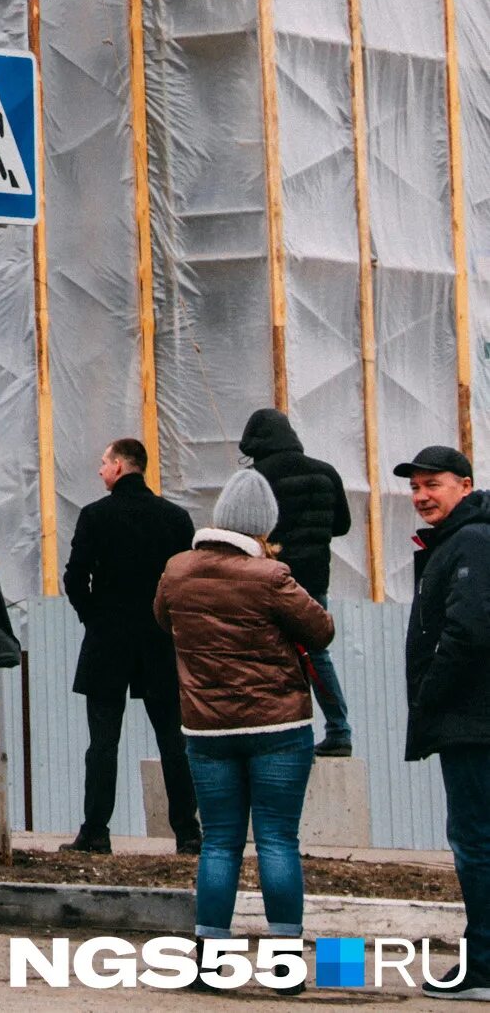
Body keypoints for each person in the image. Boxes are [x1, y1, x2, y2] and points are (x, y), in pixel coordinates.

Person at [154, 468, 331, 971]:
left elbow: (163, 620)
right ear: (264, 525)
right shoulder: (272, 577)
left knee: (219, 842)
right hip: (277, 729)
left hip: (207, 729)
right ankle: (284, 964)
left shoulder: (177, 571)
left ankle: (210, 962)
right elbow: (321, 631)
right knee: (276, 839)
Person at [61, 436, 200, 855]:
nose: (100, 469)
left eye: (104, 462)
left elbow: (74, 577)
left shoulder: (95, 516)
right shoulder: (176, 518)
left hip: (108, 641)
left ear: (120, 466)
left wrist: (94, 617)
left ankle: (96, 831)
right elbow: (187, 581)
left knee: (103, 742)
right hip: (160, 640)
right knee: (173, 741)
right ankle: (188, 833)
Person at [397, 445, 490, 1000]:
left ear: (465, 485)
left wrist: (430, 694)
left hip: (473, 722)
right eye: (415, 487)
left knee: (476, 843)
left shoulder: (472, 541)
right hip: (473, 719)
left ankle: (482, 967)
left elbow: (469, 630)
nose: (421, 496)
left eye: (433, 484)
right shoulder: (460, 541)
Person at [239, 408, 356, 755]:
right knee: (316, 655)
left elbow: (245, 528)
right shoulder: (325, 472)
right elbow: (342, 525)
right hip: (315, 581)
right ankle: (339, 730)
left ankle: (285, 733)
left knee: (270, 657)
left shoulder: (256, 477)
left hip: (270, 581)